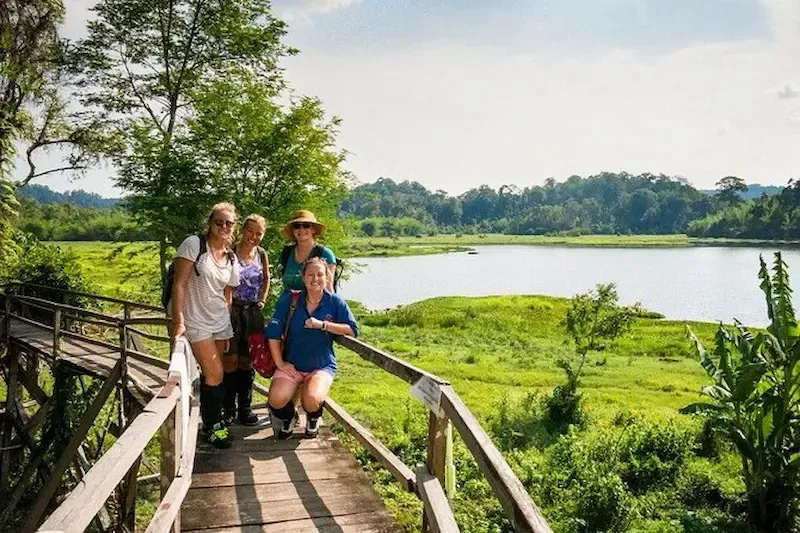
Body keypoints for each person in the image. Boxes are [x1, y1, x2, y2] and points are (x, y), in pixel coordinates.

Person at [170, 203, 240, 449]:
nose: (223, 227)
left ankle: (212, 419)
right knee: (215, 374)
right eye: (219, 222)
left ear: (234, 227)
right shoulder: (194, 245)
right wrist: (178, 322)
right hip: (196, 320)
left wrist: (228, 324)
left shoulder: (231, 257)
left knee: (216, 373)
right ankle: (212, 425)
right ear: (210, 222)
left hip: (219, 321)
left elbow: (227, 294)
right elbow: (179, 284)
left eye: (228, 223)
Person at [265, 257, 358, 439]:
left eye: (320, 274)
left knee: (312, 400)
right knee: (276, 400)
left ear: (327, 276)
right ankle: (289, 417)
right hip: (292, 364)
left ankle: (313, 418)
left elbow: (353, 330)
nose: (315, 279)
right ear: (303, 276)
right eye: (310, 274)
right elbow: (273, 331)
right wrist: (281, 363)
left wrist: (323, 325)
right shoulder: (290, 299)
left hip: (321, 365)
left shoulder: (335, 302)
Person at [223, 214, 270, 426]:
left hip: (253, 312)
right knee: (231, 360)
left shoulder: (261, 254)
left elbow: (266, 278)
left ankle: (246, 408)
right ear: (243, 230)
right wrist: (228, 309)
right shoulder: (230, 252)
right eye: (250, 231)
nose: (254, 236)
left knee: (248, 360)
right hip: (232, 310)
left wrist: (262, 300)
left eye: (259, 233)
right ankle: (228, 409)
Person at [279, 210, 336, 292]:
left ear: (313, 230)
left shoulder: (325, 254)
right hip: (288, 301)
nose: (301, 229)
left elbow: (328, 288)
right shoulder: (287, 252)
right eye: (297, 226)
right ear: (293, 230)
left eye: (306, 226)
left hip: (314, 303)